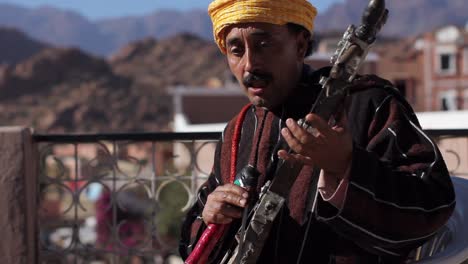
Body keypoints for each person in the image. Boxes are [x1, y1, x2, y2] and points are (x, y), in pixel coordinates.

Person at [179, 0, 456, 263]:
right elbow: (191, 244)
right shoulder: (237, 133)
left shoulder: (367, 104)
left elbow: (433, 207)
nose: (249, 65)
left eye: (264, 45)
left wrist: (346, 166)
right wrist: (210, 216)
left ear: (300, 45)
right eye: (236, 50)